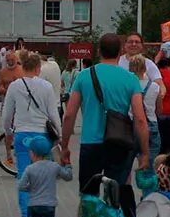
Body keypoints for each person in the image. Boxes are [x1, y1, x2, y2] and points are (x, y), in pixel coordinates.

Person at [60, 32, 149, 193]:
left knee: (89, 194)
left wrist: (64, 146)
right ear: (121, 51)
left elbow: (69, 115)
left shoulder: (83, 76)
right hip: (118, 142)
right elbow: (140, 119)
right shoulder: (131, 79)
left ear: (99, 51)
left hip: (90, 142)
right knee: (115, 193)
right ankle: (112, 215)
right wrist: (144, 152)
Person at [0, 51, 63, 217]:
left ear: (23, 66)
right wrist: (59, 136)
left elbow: (7, 114)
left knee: (23, 174)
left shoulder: (14, 86)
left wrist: (8, 131)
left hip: (22, 134)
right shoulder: (46, 87)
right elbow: (53, 114)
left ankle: (27, 214)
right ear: (38, 68)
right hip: (42, 135)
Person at [17, 139, 73, 217]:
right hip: (49, 205)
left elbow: (21, 186)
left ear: (33, 153)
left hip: (33, 205)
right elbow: (68, 176)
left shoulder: (30, 169)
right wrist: (68, 164)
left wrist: (30, 189)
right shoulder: (54, 167)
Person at [130, 52, 162, 186]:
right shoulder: (155, 87)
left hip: (133, 126)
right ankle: (148, 196)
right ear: (145, 68)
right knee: (151, 167)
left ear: (131, 68)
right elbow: (158, 109)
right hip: (152, 124)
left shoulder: (128, 86)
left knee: (133, 163)